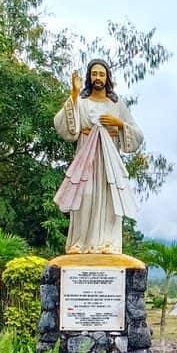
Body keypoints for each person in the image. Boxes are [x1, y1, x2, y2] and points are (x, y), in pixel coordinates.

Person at [52, 59, 144, 254]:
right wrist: (74, 94)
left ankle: (108, 243)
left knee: (110, 197)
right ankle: (80, 242)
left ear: (107, 77)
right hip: (87, 156)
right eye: (94, 74)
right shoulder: (82, 102)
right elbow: (66, 127)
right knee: (85, 195)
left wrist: (119, 123)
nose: (98, 78)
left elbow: (137, 133)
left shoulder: (117, 104)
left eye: (101, 74)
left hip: (108, 158)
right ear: (89, 77)